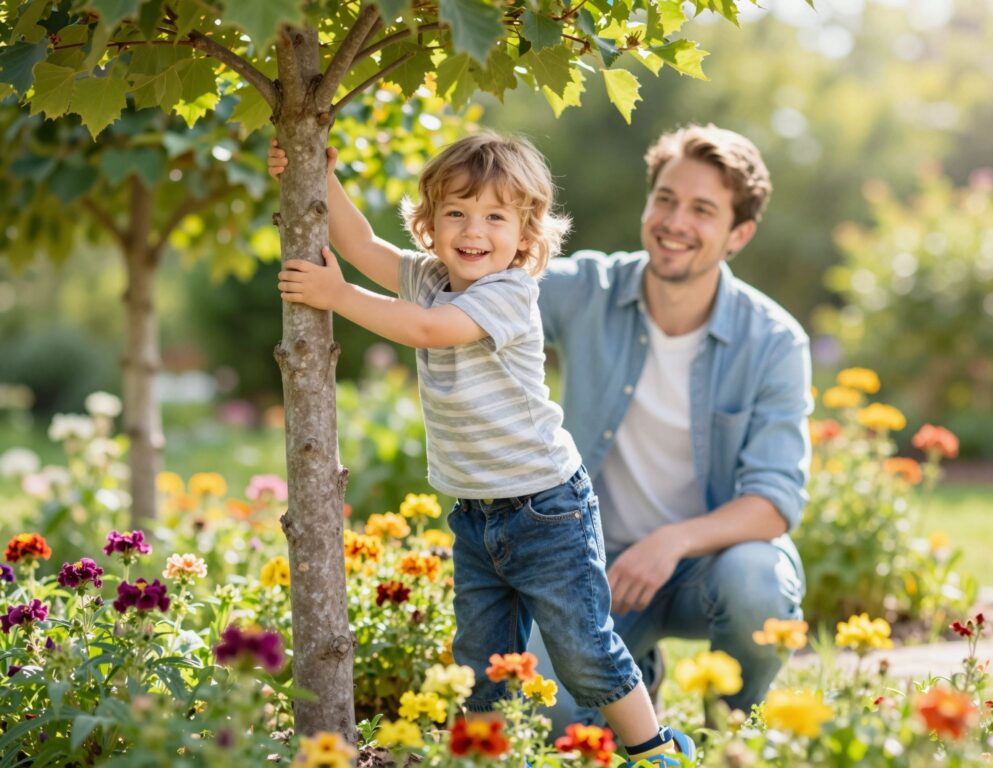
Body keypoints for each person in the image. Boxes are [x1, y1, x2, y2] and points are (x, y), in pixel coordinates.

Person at [269, 133, 696, 765]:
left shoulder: (509, 292)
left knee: (583, 649)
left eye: (496, 216)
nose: (473, 231)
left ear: (525, 234)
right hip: (476, 515)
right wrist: (317, 174)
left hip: (547, 510)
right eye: (456, 212)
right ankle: (488, 756)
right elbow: (360, 245)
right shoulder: (428, 277)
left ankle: (656, 749)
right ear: (430, 222)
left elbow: (428, 330)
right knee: (478, 661)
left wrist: (338, 297)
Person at [527, 123, 811, 730]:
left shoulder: (774, 341)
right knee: (547, 717)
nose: (675, 221)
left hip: (707, 569)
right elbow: (474, 283)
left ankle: (733, 727)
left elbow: (774, 503)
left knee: (758, 580)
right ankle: (637, 672)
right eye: (665, 199)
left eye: (702, 210)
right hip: (596, 574)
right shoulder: (588, 290)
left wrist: (671, 541)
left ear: (738, 234)